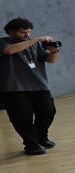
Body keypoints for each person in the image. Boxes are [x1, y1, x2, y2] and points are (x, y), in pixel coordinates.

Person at [2, 18, 60, 156]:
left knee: (48, 111)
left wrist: (54, 51)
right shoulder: (4, 42)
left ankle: (41, 137)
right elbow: (9, 51)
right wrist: (36, 39)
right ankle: (31, 144)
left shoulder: (34, 44)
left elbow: (51, 60)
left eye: (29, 32)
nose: (27, 35)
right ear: (11, 32)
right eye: (23, 32)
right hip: (14, 88)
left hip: (39, 85)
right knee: (22, 117)